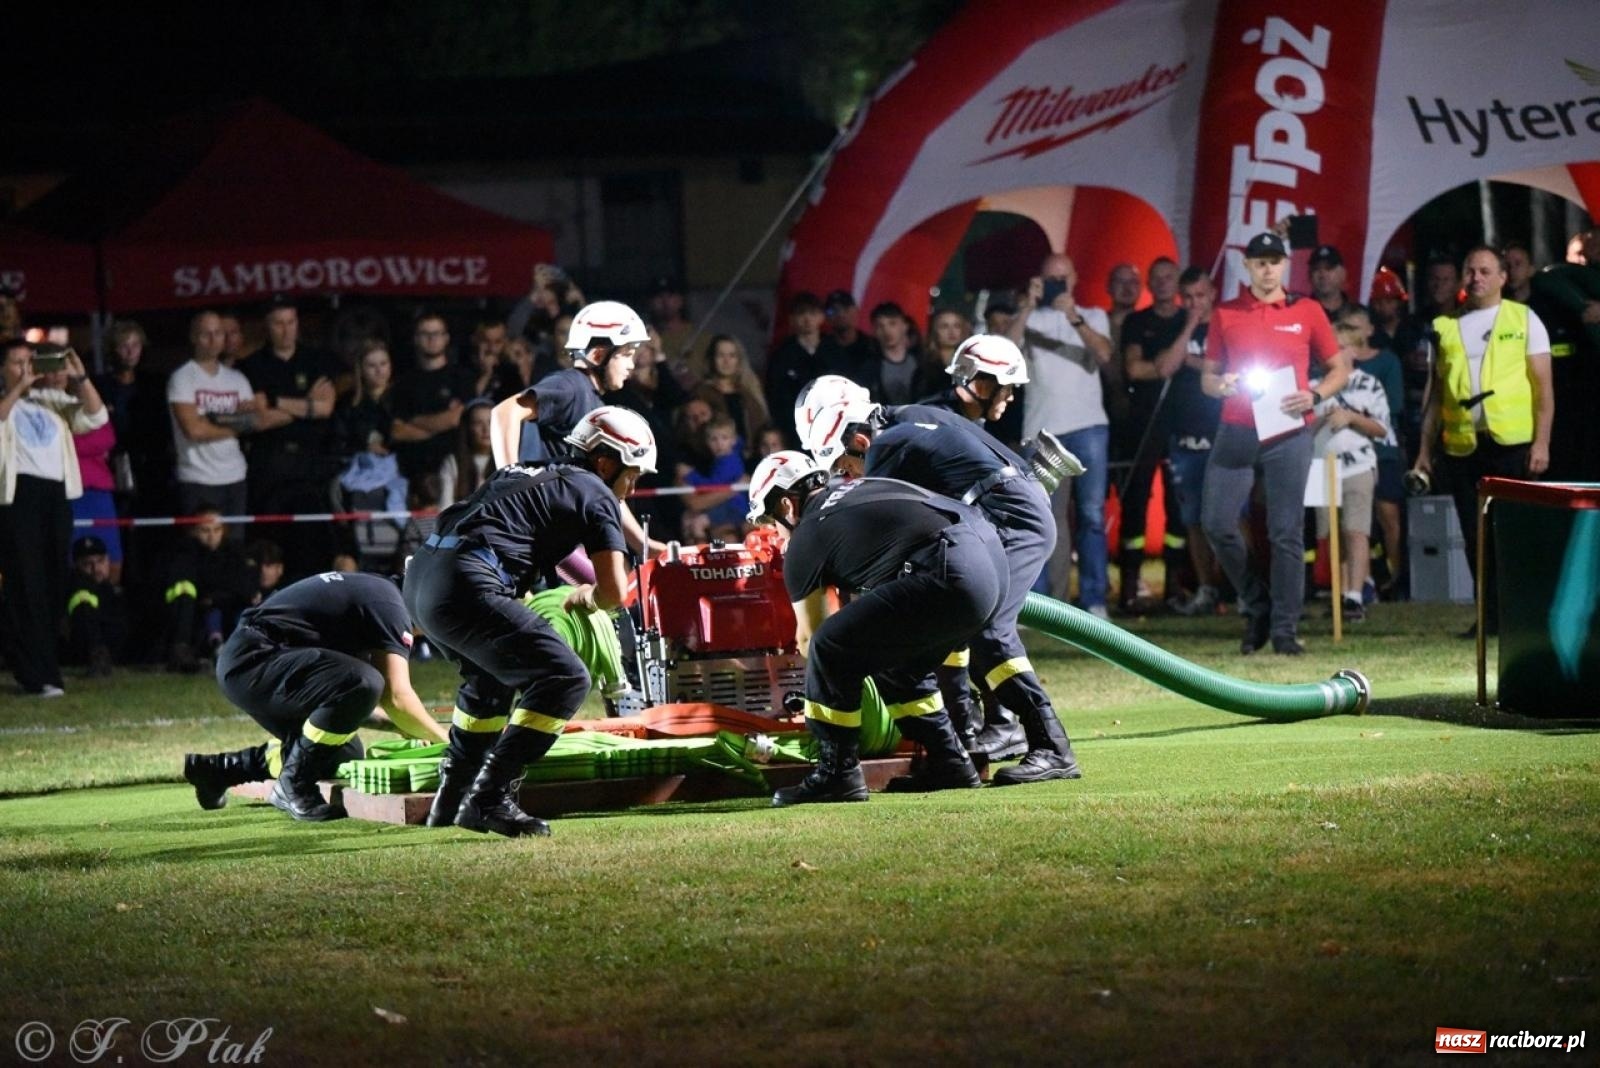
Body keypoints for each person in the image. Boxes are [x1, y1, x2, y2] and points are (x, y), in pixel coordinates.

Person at [794, 357, 1081, 786]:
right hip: (1008, 510)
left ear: (857, 438)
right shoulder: (914, 416)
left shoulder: (886, 449)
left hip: (1005, 517)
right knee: (949, 630)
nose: (844, 476)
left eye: (841, 465)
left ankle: (1050, 746)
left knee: (986, 628)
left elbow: (892, 527)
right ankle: (960, 749)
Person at [405, 406, 659, 837]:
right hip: (468, 579)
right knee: (565, 678)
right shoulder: (596, 492)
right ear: (605, 462)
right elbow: (615, 592)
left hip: (423, 577)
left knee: (490, 682)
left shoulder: (530, 469)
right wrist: (590, 597)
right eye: (632, 475)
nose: (632, 490)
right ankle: (489, 799)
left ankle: (450, 801)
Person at [746, 451, 994, 803]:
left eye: (771, 521)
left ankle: (837, 774)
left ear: (787, 506)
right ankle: (950, 762)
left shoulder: (806, 535)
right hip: (987, 560)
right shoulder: (859, 488)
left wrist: (823, 693)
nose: (773, 532)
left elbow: (810, 638)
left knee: (828, 647)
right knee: (898, 666)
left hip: (947, 572)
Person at [185, 571, 450, 821]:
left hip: (252, 662)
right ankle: (293, 784)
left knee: (343, 753)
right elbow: (395, 696)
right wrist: (449, 745)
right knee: (365, 681)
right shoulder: (392, 606)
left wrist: (397, 724)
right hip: (255, 660)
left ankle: (219, 769)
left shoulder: (379, 594)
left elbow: (344, 704)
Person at [1200, 230, 1348, 656]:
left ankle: (1284, 629)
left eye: (1275, 261)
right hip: (1238, 426)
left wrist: (1316, 395)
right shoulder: (1226, 312)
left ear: (1286, 265)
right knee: (1217, 522)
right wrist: (1222, 384)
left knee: (1285, 532)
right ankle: (1257, 602)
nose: (1268, 269)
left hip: (1288, 428)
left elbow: (1339, 368)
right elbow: (1207, 378)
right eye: (1260, 262)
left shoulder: (1307, 310)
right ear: (1246, 266)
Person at [1412, 246, 1554, 636]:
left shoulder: (1524, 319)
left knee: (1515, 535)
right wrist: (1425, 451)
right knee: (1475, 537)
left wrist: (1541, 443)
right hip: (1462, 446)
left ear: (1503, 277)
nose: (1477, 278)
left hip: (1513, 445)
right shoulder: (1444, 326)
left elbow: (1544, 390)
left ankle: (1523, 616)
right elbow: (1434, 395)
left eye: (1486, 271)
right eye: (1470, 271)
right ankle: (1489, 619)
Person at [487, 300, 661, 556]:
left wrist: (644, 545)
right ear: (599, 355)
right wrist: (510, 482)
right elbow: (504, 412)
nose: (631, 365)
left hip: (568, 532)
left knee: (614, 590)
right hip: (549, 534)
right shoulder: (571, 386)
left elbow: (608, 486)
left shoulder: (591, 399)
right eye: (626, 354)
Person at [1006, 253, 1114, 616]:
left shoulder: (1093, 315)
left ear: (1075, 279)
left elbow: (1103, 354)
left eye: (1062, 279)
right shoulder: (1029, 319)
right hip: (1041, 431)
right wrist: (1026, 307)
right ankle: (1040, 605)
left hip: (1089, 426)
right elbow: (1004, 352)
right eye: (1049, 279)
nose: (1057, 285)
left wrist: (1075, 317)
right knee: (1039, 518)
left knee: (1091, 516)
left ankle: (1094, 600)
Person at [0, 340, 107, 696]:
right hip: (19, 498)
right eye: (16, 363)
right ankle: (35, 673)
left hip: (55, 496)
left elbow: (95, 416)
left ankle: (48, 669)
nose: (25, 368)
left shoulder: (50, 402)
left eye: (29, 361)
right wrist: (18, 387)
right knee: (26, 583)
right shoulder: (10, 402)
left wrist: (80, 378)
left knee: (52, 583)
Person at [237, 299, 341, 580]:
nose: (286, 330)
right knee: (270, 548)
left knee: (311, 547)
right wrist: (307, 405)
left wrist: (275, 401)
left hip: (309, 469)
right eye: (278, 323)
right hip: (269, 469)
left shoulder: (317, 360)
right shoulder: (251, 366)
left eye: (291, 322)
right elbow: (259, 419)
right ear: (267, 327)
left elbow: (325, 408)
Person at [1118, 257, 1188, 612]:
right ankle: (1129, 587)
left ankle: (1175, 588)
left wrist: (1161, 364)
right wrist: (1159, 365)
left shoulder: (1186, 321)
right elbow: (1134, 369)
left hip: (1182, 424)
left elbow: (1170, 366)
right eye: (1156, 277)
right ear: (1149, 282)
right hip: (1142, 425)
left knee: (1179, 508)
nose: (1162, 283)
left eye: (1168, 277)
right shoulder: (1137, 321)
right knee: (1135, 504)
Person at [1157, 268, 1225, 616]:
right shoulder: (1177, 328)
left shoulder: (1226, 324)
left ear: (1212, 292)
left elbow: (1231, 368)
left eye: (1201, 295)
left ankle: (1239, 587)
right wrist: (1188, 327)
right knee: (1193, 518)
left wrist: (1194, 362)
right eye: (1189, 298)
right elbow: (1166, 366)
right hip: (1185, 437)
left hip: (1223, 432)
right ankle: (1206, 589)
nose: (1195, 303)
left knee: (1230, 517)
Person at [1310, 359, 1395, 623]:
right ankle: (1340, 595)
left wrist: (1351, 417)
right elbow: (1300, 430)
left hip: (1358, 464)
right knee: (1329, 535)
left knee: (1356, 530)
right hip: (1319, 467)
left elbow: (1382, 429)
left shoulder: (1368, 383)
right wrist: (1321, 418)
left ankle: (1355, 596)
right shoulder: (1313, 384)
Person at [1332, 304, 1406, 600]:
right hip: (1339, 457)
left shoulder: (1384, 364)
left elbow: (1392, 409)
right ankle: (1358, 584)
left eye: (1355, 324)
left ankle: (1397, 578)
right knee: (1348, 524)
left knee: (1386, 515)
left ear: (1369, 330)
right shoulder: (1325, 375)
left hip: (1380, 451)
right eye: (1344, 324)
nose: (1348, 328)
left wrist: (1354, 417)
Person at [166, 311, 258, 519]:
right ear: (193, 338)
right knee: (201, 548)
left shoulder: (237, 379)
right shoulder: (182, 378)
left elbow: (252, 421)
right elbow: (194, 430)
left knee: (234, 547)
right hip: (198, 478)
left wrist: (212, 420)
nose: (213, 339)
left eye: (218, 333)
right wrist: (235, 423)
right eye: (206, 334)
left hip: (235, 476)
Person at [163, 507, 258, 672]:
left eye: (216, 530)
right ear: (194, 531)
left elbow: (244, 587)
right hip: (200, 614)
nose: (211, 535)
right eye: (205, 530)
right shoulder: (187, 554)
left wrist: (216, 597)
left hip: (230, 608)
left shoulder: (234, 552)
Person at [390, 312, 475, 482]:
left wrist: (414, 420)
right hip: (411, 472)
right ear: (415, 339)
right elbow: (398, 431)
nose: (431, 339)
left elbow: (455, 419)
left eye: (436, 333)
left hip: (455, 469)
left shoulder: (461, 377)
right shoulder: (403, 383)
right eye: (425, 334)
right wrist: (440, 424)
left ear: (446, 338)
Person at [765, 291, 853, 447]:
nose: (807, 319)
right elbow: (776, 396)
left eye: (812, 313)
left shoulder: (835, 350)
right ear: (792, 319)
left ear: (821, 317)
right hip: (795, 433)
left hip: (835, 430)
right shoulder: (782, 355)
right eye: (801, 314)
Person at [692, 335, 770, 458]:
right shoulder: (701, 392)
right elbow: (692, 432)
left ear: (739, 360)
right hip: (714, 461)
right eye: (720, 355)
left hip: (751, 459)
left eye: (732, 355)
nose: (726, 361)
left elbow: (763, 425)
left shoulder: (750, 390)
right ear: (712, 359)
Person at [66, 534, 126, 676]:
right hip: (81, 653)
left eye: (100, 561)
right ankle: (97, 654)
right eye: (87, 564)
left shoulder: (116, 593)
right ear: (76, 566)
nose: (95, 568)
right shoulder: (75, 590)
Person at [437, 398, 495, 508]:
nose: (486, 429)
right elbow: (445, 508)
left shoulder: (509, 462)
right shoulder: (453, 463)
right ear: (468, 428)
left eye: (490, 422)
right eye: (478, 423)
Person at [1308, 245, 1354, 321]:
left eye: (1329, 268)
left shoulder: (1359, 314)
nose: (1322, 275)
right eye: (1316, 269)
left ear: (1343, 273)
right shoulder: (1299, 312)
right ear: (1309, 275)